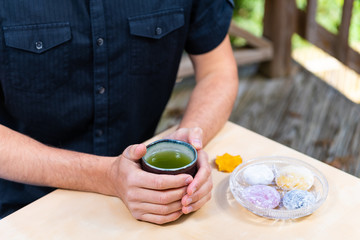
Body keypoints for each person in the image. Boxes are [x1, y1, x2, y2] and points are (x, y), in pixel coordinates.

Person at [0, 0, 238, 224]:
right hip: (24, 205)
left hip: (151, 198)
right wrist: (107, 176)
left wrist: (188, 140)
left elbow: (217, 70)